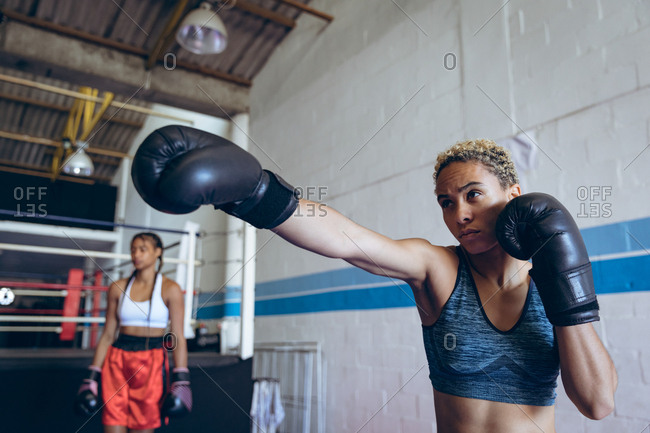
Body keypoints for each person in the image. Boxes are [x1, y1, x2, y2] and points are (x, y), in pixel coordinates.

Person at [131, 126, 617, 432]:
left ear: (513, 194)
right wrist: (254, 193)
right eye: (447, 202)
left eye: (473, 194)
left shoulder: (550, 284)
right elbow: (347, 239)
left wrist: (566, 287)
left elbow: (596, 402)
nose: (460, 214)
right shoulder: (439, 269)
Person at [75, 232, 192, 433]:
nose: (136, 254)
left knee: (143, 427)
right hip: (117, 361)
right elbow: (108, 335)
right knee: (112, 422)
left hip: (152, 362)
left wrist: (182, 379)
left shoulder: (170, 289)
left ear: (158, 252)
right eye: (133, 249)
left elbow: (178, 337)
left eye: (142, 249)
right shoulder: (117, 288)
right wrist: (91, 376)